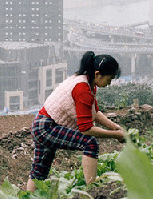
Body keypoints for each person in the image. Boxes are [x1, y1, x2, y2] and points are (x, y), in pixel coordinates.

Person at [27, 51, 126, 191]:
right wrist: (116, 135)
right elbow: (86, 129)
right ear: (98, 74)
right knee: (90, 143)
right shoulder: (82, 89)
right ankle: (93, 189)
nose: (109, 84)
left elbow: (94, 113)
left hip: (41, 124)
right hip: (47, 127)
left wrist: (114, 126)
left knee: (40, 170)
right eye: (109, 79)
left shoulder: (85, 82)